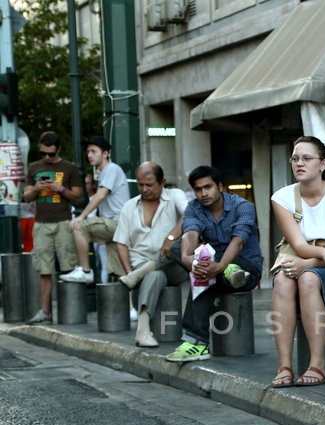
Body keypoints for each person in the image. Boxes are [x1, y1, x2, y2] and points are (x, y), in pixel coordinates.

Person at [269, 136, 325, 387]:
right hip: (301, 257)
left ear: (322, 164)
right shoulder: (282, 197)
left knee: (308, 279)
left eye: (307, 158)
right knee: (282, 280)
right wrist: (324, 255)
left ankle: (317, 365)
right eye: (295, 159)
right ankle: (284, 366)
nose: (299, 163)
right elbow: (298, 247)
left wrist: (311, 263)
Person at [164, 165, 262, 363]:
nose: (203, 193)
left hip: (246, 267)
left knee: (205, 274)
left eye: (208, 187)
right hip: (211, 263)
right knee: (180, 251)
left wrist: (220, 265)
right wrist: (188, 258)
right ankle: (224, 272)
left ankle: (196, 341)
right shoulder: (194, 208)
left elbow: (239, 241)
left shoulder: (242, 206)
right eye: (198, 189)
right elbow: (190, 233)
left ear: (220, 186)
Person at [113, 162, 189, 348]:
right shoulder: (129, 206)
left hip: (175, 265)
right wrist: (129, 270)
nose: (144, 189)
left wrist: (170, 238)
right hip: (140, 263)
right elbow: (121, 243)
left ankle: (137, 275)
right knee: (154, 275)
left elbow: (190, 215)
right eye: (140, 184)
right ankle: (143, 330)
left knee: (175, 246)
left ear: (162, 182)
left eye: (149, 184)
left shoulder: (175, 195)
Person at [22, 131, 84, 324]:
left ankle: (71, 311)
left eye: (50, 153)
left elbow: (78, 197)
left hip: (63, 222)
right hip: (41, 223)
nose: (47, 157)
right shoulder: (34, 168)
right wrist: (36, 188)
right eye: (43, 153)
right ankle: (45, 312)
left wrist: (60, 189)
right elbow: (26, 196)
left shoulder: (69, 168)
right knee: (44, 269)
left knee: (68, 266)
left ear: (59, 149)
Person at [60, 135, 132, 284]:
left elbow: (100, 196)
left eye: (93, 151)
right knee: (122, 275)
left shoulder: (111, 169)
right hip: (118, 227)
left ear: (105, 154)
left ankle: (85, 271)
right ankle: (128, 302)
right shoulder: (105, 172)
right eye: (88, 152)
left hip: (116, 223)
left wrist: (81, 217)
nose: (89, 155)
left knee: (78, 226)